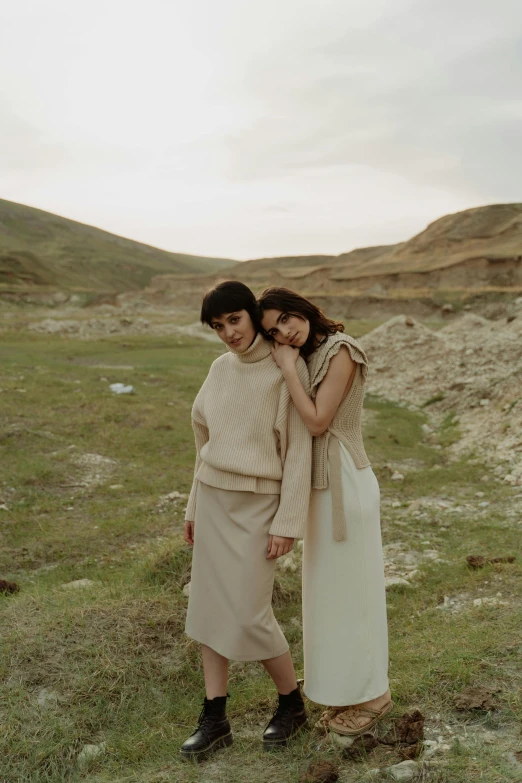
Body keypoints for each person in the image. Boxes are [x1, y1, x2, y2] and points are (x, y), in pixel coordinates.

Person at [181, 280, 312, 760]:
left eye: (234, 320)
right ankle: (215, 717)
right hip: (214, 499)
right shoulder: (219, 368)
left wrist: (288, 521)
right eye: (218, 327)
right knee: (207, 609)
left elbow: (299, 452)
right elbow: (203, 442)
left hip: (260, 505)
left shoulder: (284, 371)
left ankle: (291, 703)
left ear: (254, 315)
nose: (228, 334)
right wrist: (194, 506)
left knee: (250, 614)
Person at [258, 287, 391, 737]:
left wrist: (288, 368)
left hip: (346, 483)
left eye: (287, 319)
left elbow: (318, 421)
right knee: (330, 594)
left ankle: (376, 695)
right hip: (318, 487)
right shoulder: (309, 354)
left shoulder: (342, 351)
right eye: (274, 331)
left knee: (357, 590)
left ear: (303, 309)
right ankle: (347, 689)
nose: (285, 332)